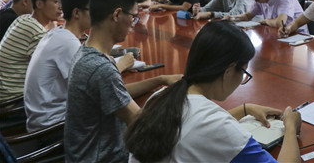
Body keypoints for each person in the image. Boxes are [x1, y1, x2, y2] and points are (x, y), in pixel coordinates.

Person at [125, 21, 302, 163]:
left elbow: (195, 126)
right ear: (229, 70)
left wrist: (245, 109)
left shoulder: (162, 96)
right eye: (243, 72)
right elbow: (211, 127)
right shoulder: (217, 126)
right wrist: (290, 128)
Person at [64, 0, 180, 162]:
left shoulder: (85, 52)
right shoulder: (100, 68)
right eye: (133, 17)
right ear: (117, 15)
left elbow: (117, 92)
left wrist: (161, 80)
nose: (133, 24)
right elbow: (143, 126)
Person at [24, 0, 94, 131]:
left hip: (41, 118)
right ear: (77, 13)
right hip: (52, 127)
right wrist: (121, 65)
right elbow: (93, 89)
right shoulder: (67, 42)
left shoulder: (57, 33)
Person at [0, 0, 64, 102]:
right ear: (39, 4)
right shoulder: (36, 32)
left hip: (4, 92)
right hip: (13, 100)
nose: (61, 7)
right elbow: (53, 72)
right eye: (56, 2)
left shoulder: (23, 19)